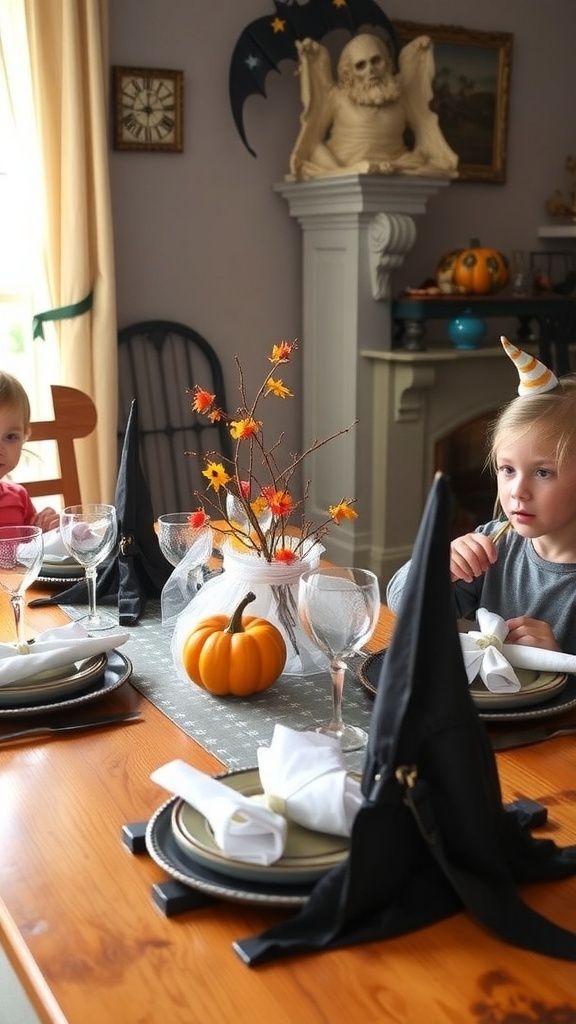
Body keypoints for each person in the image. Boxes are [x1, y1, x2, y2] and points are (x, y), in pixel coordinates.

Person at [386, 337, 576, 654]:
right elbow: (403, 604)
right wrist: (437, 567)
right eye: (507, 469)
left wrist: (562, 662)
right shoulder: (495, 546)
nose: (518, 492)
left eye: (543, 472)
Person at [288, 32, 458, 181]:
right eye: (361, 65)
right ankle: (345, 172)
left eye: (376, 61)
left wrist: (418, 51)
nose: (371, 70)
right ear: (349, 74)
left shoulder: (402, 96)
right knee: (316, 150)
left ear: (388, 63)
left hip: (395, 164)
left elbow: (422, 124)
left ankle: (378, 168)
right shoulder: (337, 97)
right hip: (341, 167)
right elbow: (313, 138)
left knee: (420, 159)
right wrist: (311, 58)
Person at [0, 371, 59, 530]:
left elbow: (31, 549)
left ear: (25, 435)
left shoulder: (19, 498)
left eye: (10, 437)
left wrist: (43, 530)